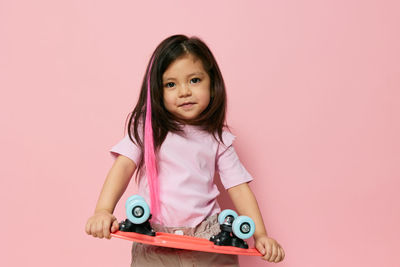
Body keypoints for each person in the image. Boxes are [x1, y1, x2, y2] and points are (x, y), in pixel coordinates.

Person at [85, 34, 285, 266]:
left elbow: (239, 188)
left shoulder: (217, 138)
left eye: (194, 80)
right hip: (155, 239)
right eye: (171, 84)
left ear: (212, 83)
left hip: (207, 238)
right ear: (157, 92)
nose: (184, 92)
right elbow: (123, 166)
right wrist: (102, 210)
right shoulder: (147, 129)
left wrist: (259, 235)